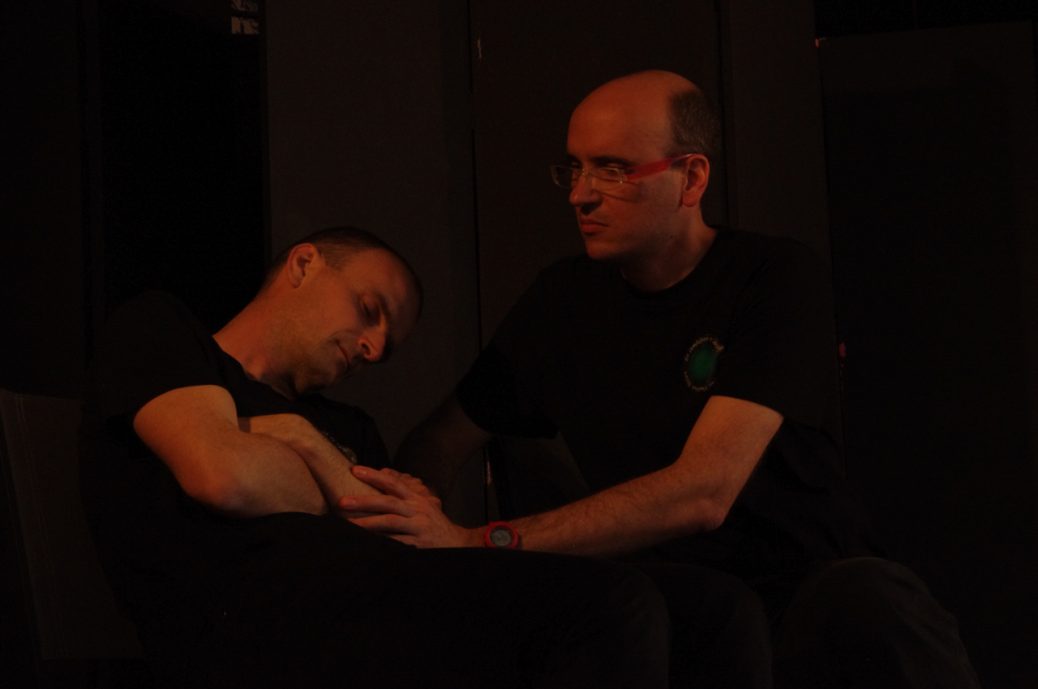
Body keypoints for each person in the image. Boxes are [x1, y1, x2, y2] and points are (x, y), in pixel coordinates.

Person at [343, 72, 983, 689]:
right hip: (672, 601)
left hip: (805, 588)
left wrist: (481, 542)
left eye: (613, 170)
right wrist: (420, 535)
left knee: (872, 599)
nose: (580, 195)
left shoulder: (771, 277)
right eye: (575, 168)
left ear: (691, 178)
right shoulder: (563, 302)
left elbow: (704, 491)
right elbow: (441, 440)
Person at [79, 226, 685, 688]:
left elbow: (396, 536)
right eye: (369, 312)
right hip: (249, 631)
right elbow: (225, 477)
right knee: (613, 605)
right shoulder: (164, 332)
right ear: (304, 264)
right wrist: (340, 486)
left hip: (382, 613)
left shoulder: (350, 427)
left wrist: (300, 437)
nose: (371, 348)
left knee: (700, 607)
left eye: (385, 347)